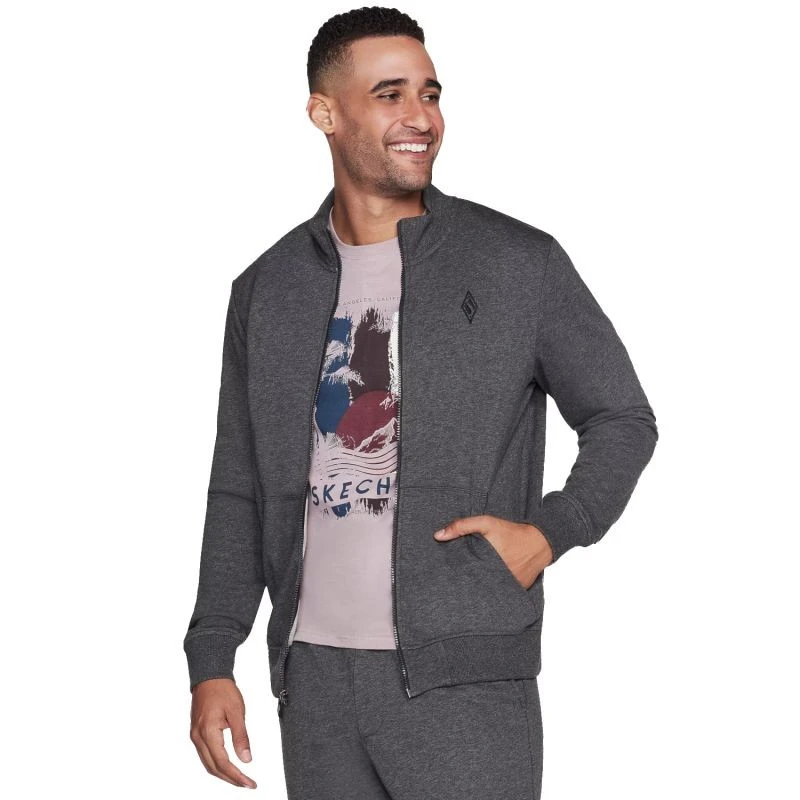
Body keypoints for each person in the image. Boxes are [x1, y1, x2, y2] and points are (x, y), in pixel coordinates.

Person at [183, 7, 658, 799]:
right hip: (313, 683)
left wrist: (551, 531)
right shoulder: (267, 288)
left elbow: (622, 418)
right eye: (391, 94)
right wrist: (212, 656)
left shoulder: (516, 263)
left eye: (430, 94)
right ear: (325, 112)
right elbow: (239, 486)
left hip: (464, 678)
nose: (421, 117)